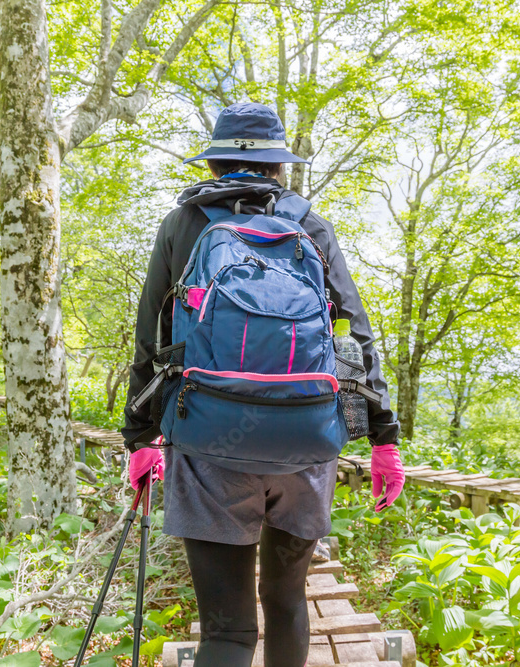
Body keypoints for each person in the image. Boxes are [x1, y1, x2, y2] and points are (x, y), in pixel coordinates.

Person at [121, 102, 405, 667]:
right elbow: (355, 335)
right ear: (278, 166)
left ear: (216, 164)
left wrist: (140, 439)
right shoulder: (309, 224)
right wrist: (384, 439)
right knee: (286, 600)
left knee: (226, 635)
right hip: (305, 442)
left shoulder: (183, 224)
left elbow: (151, 334)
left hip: (208, 445)